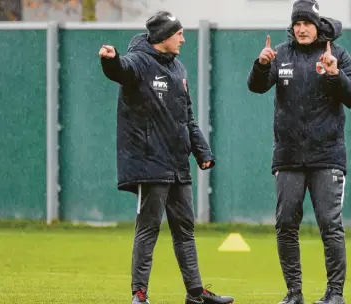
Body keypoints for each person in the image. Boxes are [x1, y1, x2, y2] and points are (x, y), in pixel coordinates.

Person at [99, 11, 234, 304]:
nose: (184, 39)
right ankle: (139, 294)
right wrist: (110, 60)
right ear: (163, 38)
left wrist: (202, 151)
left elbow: (187, 117)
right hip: (150, 163)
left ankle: (196, 295)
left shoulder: (179, 69)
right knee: (148, 229)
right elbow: (120, 69)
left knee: (184, 230)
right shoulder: (138, 61)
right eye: (179, 34)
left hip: (177, 165)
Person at [247, 0, 351, 303]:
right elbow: (256, 87)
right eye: (297, 24)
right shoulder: (281, 54)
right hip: (288, 157)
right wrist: (260, 65)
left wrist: (334, 75)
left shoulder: (337, 54)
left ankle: (335, 294)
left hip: (327, 156)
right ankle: (294, 294)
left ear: (317, 25)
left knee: (330, 226)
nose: (301, 29)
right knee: (286, 225)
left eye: (306, 23)